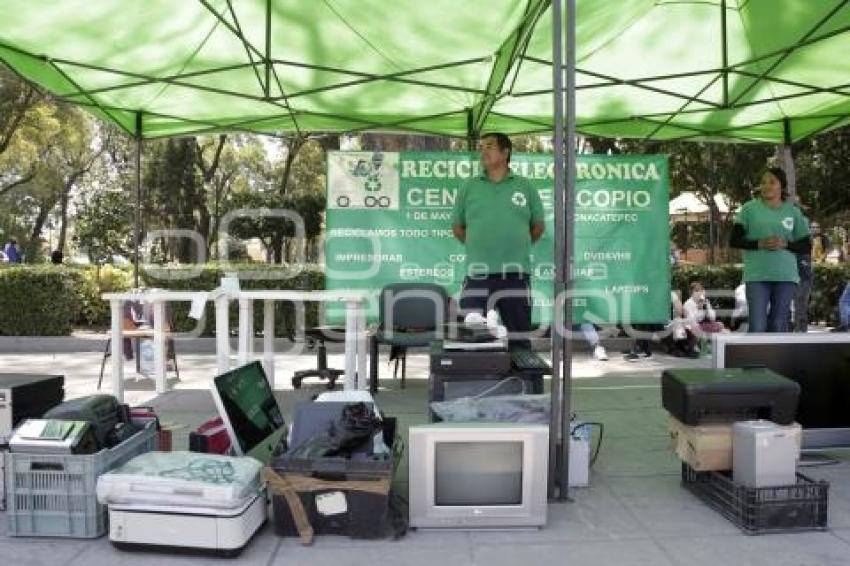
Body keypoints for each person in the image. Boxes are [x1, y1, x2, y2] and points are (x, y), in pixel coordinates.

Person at [452, 132, 544, 348]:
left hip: (516, 274)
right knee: (472, 336)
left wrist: (513, 247)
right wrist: (481, 246)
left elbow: (538, 227)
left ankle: (523, 381)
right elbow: (457, 227)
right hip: (478, 273)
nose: (483, 151)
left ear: (505, 152)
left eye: (490, 146)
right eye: (481, 147)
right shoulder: (469, 187)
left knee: (519, 338)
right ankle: (477, 381)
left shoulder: (525, 186)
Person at [729, 167, 810, 333]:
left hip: (786, 277)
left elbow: (806, 246)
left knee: (779, 326)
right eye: (763, 182)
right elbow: (734, 240)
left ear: (782, 186)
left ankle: (776, 360)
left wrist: (786, 244)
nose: (766, 185)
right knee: (757, 326)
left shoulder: (793, 212)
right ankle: (755, 359)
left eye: (772, 182)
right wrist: (759, 244)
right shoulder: (749, 209)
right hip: (757, 275)